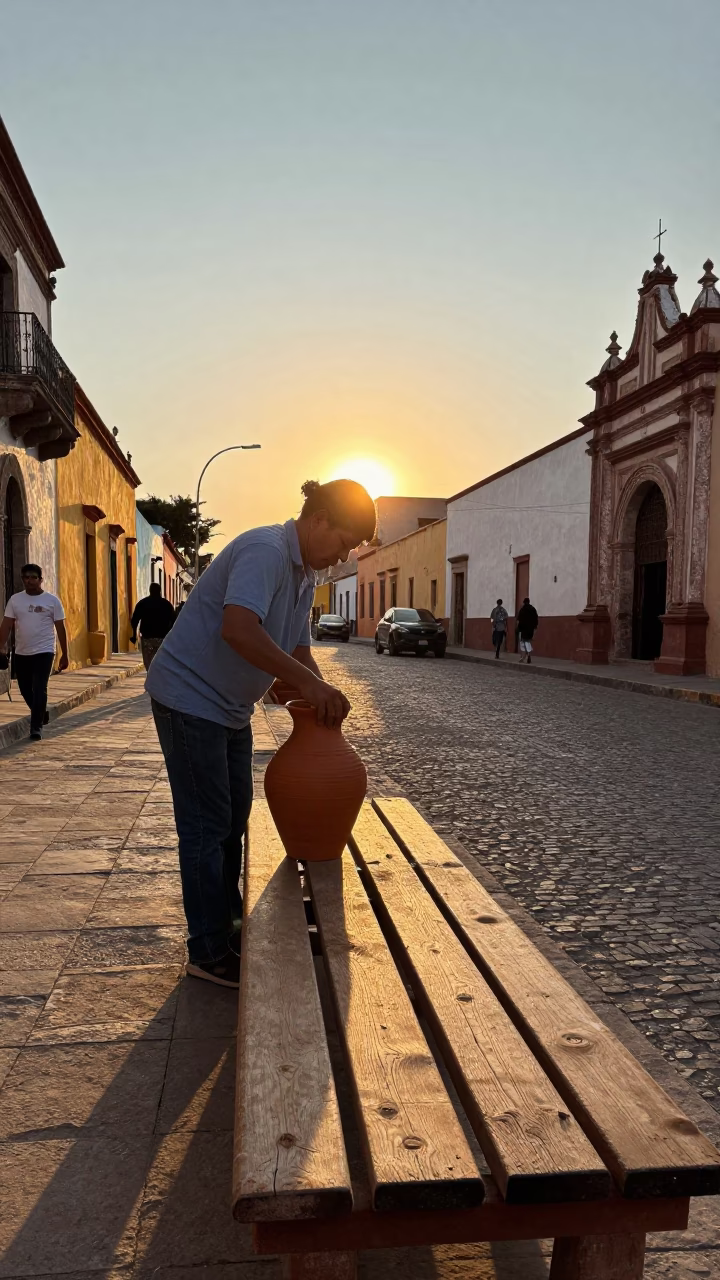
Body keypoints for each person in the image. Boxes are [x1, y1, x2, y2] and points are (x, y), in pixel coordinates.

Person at [145, 477, 377, 989]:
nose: (340, 558)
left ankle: (227, 927)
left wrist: (316, 690)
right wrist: (305, 685)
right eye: (341, 544)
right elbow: (238, 629)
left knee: (233, 820)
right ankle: (207, 951)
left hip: (228, 707)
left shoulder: (303, 574)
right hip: (188, 698)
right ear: (318, 520)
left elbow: (298, 654)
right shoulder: (266, 551)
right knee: (207, 826)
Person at [0, 564, 68, 740]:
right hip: (22, 652)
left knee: (39, 688)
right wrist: (1, 646)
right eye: (25, 577)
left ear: (40, 580)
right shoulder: (15, 600)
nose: (29, 581)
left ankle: (36, 727)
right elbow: (7, 624)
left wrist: (65, 654)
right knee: (24, 688)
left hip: (45, 651)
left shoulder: (52, 601)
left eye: (32, 577)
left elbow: (61, 628)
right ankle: (40, 712)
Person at [130, 582, 176, 669]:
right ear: (160, 591)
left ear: (150, 591)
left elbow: (134, 620)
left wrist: (134, 635)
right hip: (162, 639)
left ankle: (151, 679)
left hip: (147, 639)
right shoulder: (167, 605)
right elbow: (174, 622)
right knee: (161, 664)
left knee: (149, 664)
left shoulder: (143, 603)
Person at [516, 596, 539, 663]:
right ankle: (525, 656)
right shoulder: (533, 609)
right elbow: (536, 619)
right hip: (530, 628)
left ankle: (525, 655)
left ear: (524, 602)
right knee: (528, 641)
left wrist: (518, 628)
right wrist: (535, 627)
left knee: (523, 642)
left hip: (523, 629)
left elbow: (518, 620)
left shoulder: (522, 609)